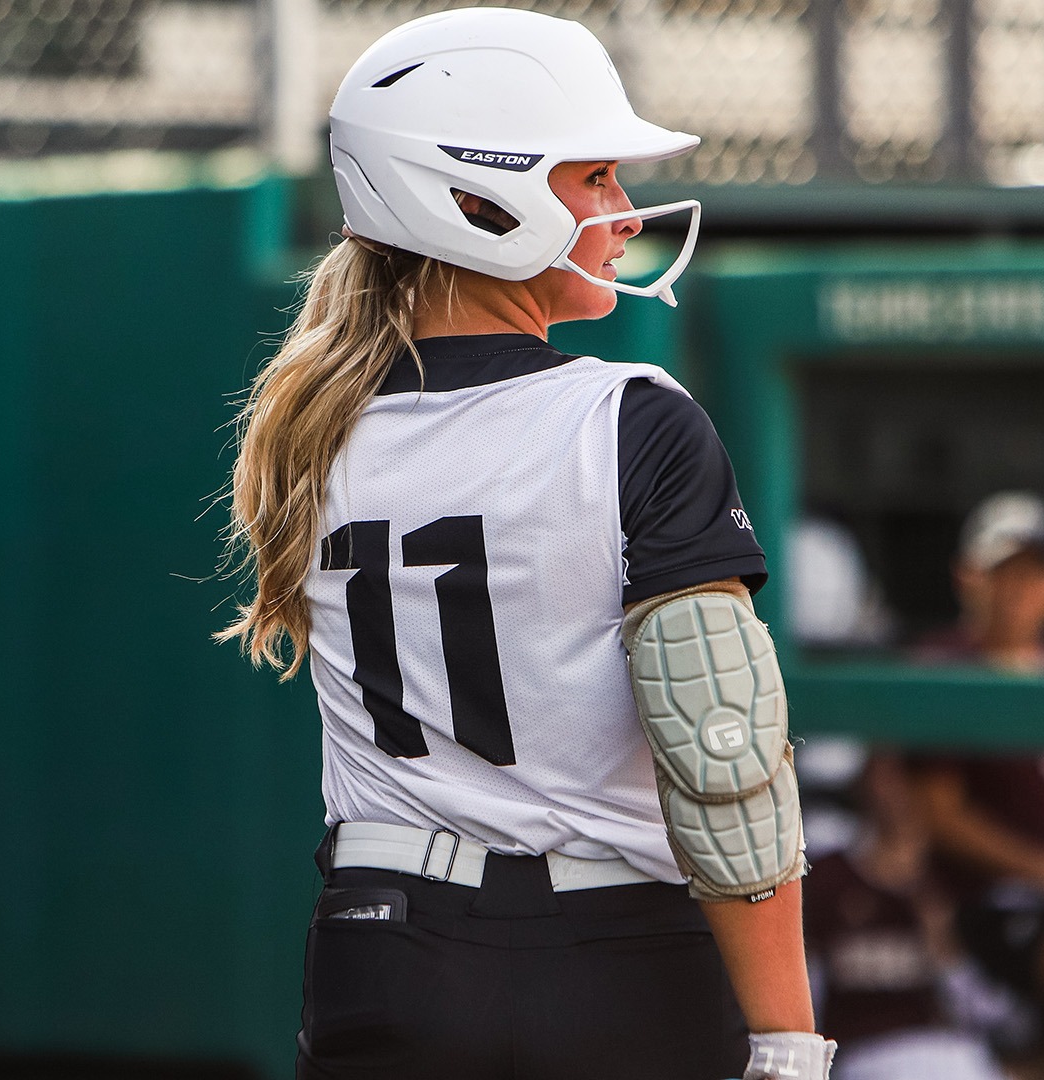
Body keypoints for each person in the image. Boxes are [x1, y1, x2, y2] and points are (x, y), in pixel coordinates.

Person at [216, 10, 835, 1079]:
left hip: (379, 951)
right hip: (610, 963)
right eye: (593, 176)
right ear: (474, 197)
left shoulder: (306, 428)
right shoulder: (627, 415)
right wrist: (787, 1041)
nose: (625, 211)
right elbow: (721, 749)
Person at [907, 492, 1044, 1080]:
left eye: (1035, 573)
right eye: (1003, 572)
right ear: (968, 578)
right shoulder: (944, 668)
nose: (1019, 590)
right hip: (996, 907)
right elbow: (937, 814)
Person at [802, 748, 1011, 1080]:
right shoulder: (829, 877)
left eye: (907, 774)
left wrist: (947, 952)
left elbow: (997, 1016)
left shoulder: (953, 879)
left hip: (949, 1049)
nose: (895, 789)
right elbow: (807, 996)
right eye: (884, 772)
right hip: (862, 1052)